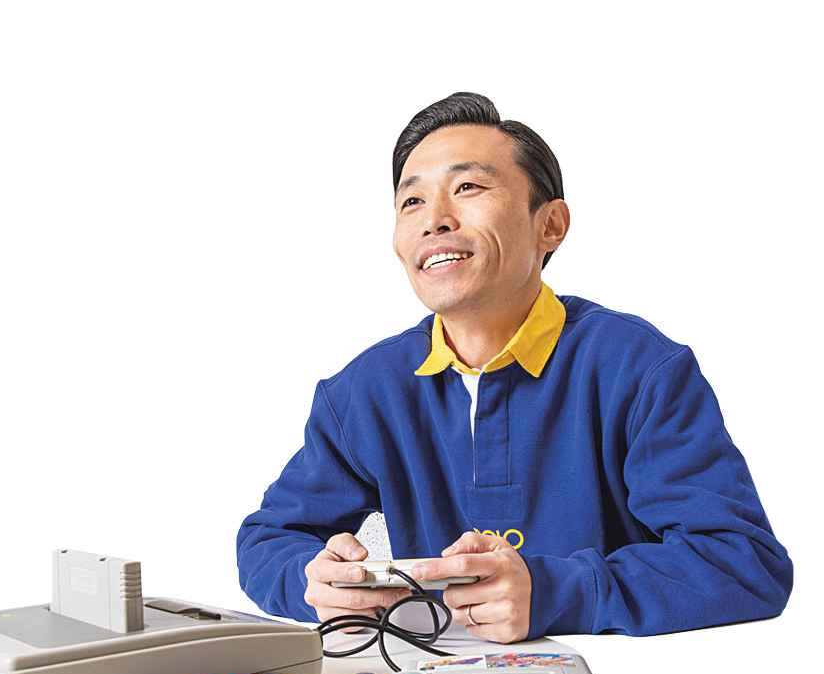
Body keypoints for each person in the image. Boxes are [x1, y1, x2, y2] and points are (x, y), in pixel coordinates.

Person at [236, 92, 793, 642]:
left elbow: (744, 562)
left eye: (467, 188)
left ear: (550, 225)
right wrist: (311, 582)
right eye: (412, 202)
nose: (434, 221)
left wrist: (557, 592)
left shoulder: (639, 368)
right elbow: (268, 541)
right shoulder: (364, 392)